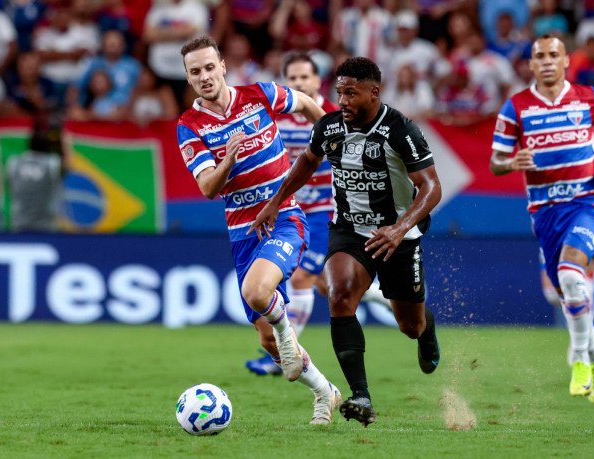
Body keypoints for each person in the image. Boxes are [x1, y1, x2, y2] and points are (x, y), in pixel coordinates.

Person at [249, 56, 442, 426]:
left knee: (409, 325)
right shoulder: (329, 127)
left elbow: (431, 188)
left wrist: (400, 228)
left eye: (351, 93)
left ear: (374, 91)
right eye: (339, 92)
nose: (343, 101)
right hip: (350, 229)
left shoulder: (401, 130)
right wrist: (275, 203)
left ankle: (425, 327)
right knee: (338, 296)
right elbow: (306, 162)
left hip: (397, 236)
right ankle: (361, 396)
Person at [177, 36, 342, 424]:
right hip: (243, 233)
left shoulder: (258, 95)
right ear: (187, 77)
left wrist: (328, 134)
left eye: (208, 67)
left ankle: (288, 335)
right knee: (266, 340)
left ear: (222, 65)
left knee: (257, 293)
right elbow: (207, 188)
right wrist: (228, 160)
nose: (204, 76)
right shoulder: (189, 126)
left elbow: (302, 102)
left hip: (284, 216)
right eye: (194, 71)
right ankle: (324, 391)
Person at [245, 52, 392, 376]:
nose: (298, 83)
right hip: (291, 210)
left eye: (304, 77)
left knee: (301, 278)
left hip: (327, 212)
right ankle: (388, 298)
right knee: (329, 286)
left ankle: (286, 353)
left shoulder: (335, 116)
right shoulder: (274, 120)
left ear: (317, 81)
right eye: (292, 79)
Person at [489, 35, 594, 403]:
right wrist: (511, 163)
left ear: (567, 60)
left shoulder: (590, 98)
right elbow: (496, 162)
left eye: (555, 54)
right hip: (545, 211)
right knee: (564, 290)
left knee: (572, 275)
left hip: (587, 202)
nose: (548, 61)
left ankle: (581, 360)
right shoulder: (516, 107)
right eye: (540, 56)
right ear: (532, 64)